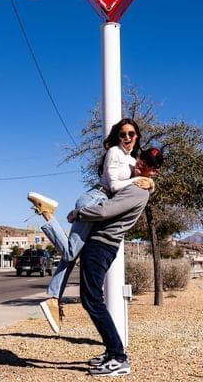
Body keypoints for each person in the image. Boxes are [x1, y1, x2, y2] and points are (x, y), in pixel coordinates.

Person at [27, 118, 153, 333]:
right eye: (123, 134)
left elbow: (142, 180)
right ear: (117, 137)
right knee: (69, 252)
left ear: (137, 136)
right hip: (94, 200)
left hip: (101, 202)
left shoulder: (131, 159)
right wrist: (136, 181)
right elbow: (114, 185)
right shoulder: (114, 152)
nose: (127, 138)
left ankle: (54, 298)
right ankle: (47, 213)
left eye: (131, 134)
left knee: (73, 254)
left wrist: (151, 183)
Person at [71, 147, 163, 377]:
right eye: (143, 159)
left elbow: (105, 211)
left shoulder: (138, 191)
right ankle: (112, 352)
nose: (142, 164)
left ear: (155, 170)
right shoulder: (137, 182)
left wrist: (78, 214)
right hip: (102, 244)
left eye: (148, 163)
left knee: (91, 300)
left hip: (101, 245)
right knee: (91, 299)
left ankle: (118, 357)